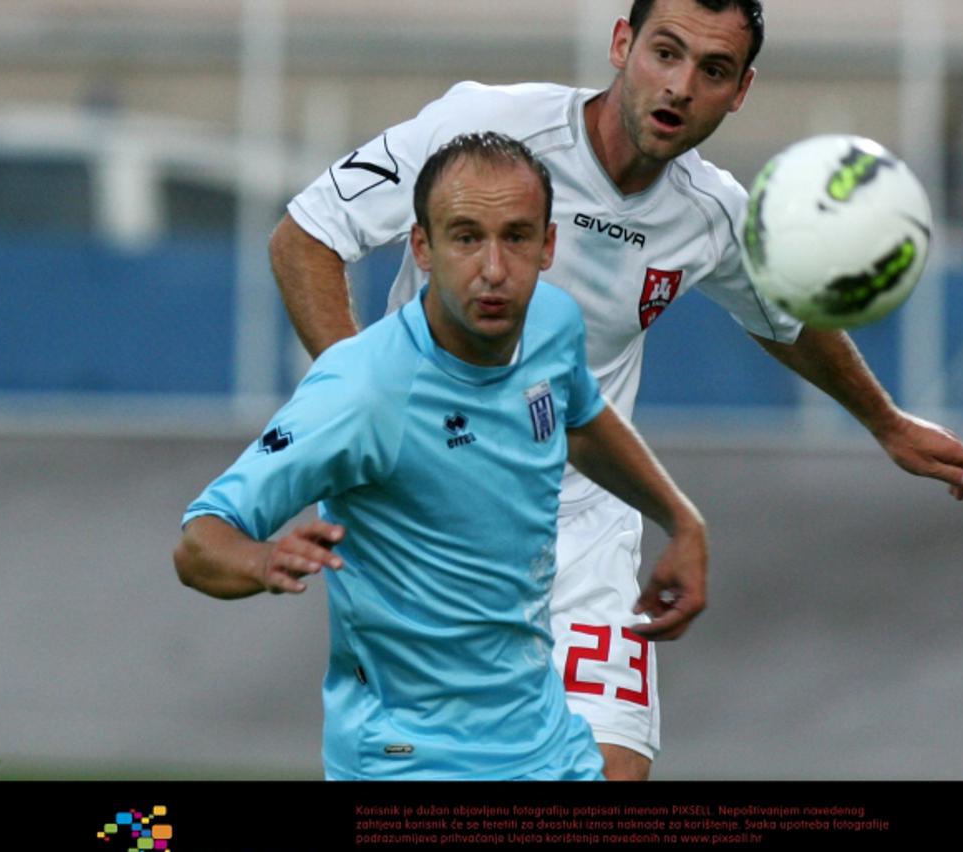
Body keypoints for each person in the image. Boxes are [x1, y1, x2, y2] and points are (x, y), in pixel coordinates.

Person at [270, 0, 963, 781]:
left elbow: (786, 318)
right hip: (432, 522)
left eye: (712, 71)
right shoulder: (486, 128)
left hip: (584, 532)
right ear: (622, 45)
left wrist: (885, 422)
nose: (679, 87)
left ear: (740, 91)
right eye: (665, 53)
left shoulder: (712, 215)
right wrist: (365, 402)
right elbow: (305, 236)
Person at [175, 132, 709, 780]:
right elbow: (199, 542)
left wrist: (679, 520)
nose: (492, 267)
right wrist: (264, 560)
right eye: (465, 237)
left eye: (515, 237)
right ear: (421, 247)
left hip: (540, 745)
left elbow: (585, 419)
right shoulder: (364, 389)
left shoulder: (551, 325)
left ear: (549, 246)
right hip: (409, 759)